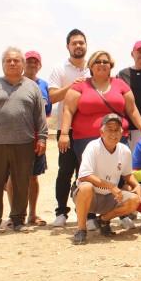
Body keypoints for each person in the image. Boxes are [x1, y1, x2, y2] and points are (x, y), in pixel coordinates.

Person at [58, 50, 141, 230]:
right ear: (90, 66)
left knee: (119, 175)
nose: (102, 64)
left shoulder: (120, 85)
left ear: (111, 65)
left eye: (106, 61)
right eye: (97, 61)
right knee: (86, 177)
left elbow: (132, 110)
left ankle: (118, 215)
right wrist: (64, 133)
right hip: (85, 138)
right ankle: (89, 217)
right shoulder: (80, 86)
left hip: (117, 137)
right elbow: (68, 109)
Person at [0, 46, 48, 236]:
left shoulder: (32, 87)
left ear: (23, 65)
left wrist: (42, 137)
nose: (13, 63)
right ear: (3, 64)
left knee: (21, 182)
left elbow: (40, 115)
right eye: (9, 60)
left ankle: (18, 219)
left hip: (24, 143)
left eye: (16, 60)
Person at [71, 114, 141, 245]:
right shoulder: (93, 147)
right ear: (101, 132)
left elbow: (127, 174)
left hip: (110, 197)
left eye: (116, 130)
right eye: (109, 129)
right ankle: (81, 229)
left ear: (121, 133)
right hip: (89, 196)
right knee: (86, 187)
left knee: (134, 200)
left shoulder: (124, 150)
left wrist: (137, 185)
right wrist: (110, 186)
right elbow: (84, 175)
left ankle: (103, 220)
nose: (113, 133)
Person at [5, 51, 52, 227]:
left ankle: (32, 214)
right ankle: (14, 215)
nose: (32, 65)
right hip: (15, 137)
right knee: (12, 177)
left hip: (36, 138)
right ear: (23, 64)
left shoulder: (44, 86)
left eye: (36, 62)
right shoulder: (15, 83)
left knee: (33, 177)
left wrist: (42, 137)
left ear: (40, 66)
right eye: (29, 61)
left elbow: (46, 113)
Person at [48, 29, 90, 226]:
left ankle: (89, 214)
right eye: (74, 43)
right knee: (65, 171)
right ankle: (61, 212)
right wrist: (72, 86)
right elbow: (53, 97)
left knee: (87, 172)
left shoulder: (94, 67)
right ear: (68, 47)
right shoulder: (59, 69)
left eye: (81, 42)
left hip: (89, 130)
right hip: (66, 130)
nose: (78, 46)